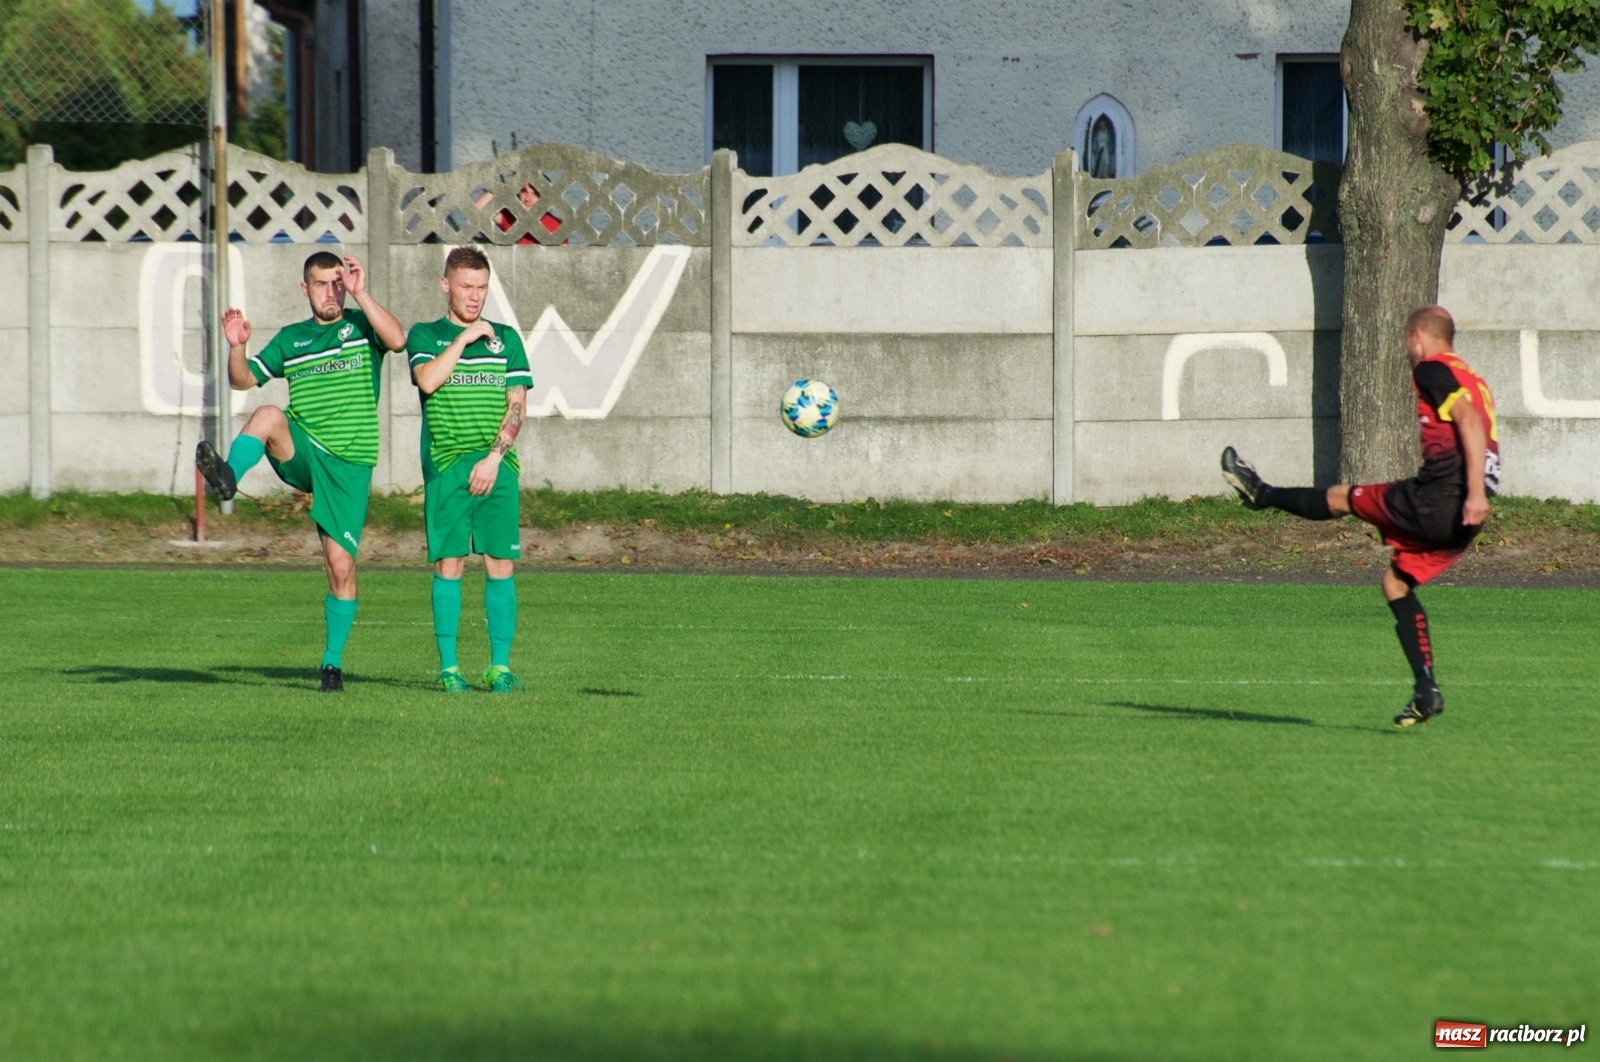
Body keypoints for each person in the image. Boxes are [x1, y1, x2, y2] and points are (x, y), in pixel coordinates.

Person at [1220, 305, 1499, 727]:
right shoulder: (1473, 378)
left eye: (1408, 339)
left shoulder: (1432, 369)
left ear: (1418, 336)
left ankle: (1262, 494)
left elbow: (1471, 423)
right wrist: (1478, 499)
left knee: (1341, 497)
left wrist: (1474, 493)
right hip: (1463, 518)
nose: (1408, 347)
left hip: (1442, 499)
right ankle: (1426, 689)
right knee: (1396, 583)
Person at [195, 251, 407, 693]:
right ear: (304, 289)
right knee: (269, 412)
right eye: (321, 284)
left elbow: (399, 340)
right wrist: (237, 345)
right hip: (305, 448)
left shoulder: (361, 326)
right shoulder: (293, 339)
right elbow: (241, 380)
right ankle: (228, 477)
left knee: (340, 567)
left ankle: (331, 665)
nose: (331, 292)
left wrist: (362, 293)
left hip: (349, 464)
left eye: (337, 282)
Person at [406, 247, 533, 693]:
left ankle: (500, 667)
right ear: (446, 286)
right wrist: (463, 339)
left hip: (496, 465)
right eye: (466, 287)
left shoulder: (507, 340)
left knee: (500, 563)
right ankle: (449, 669)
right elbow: (427, 381)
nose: (475, 296)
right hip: (447, 467)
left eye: (482, 287)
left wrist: (495, 458)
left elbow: (517, 405)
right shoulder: (425, 335)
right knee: (449, 564)